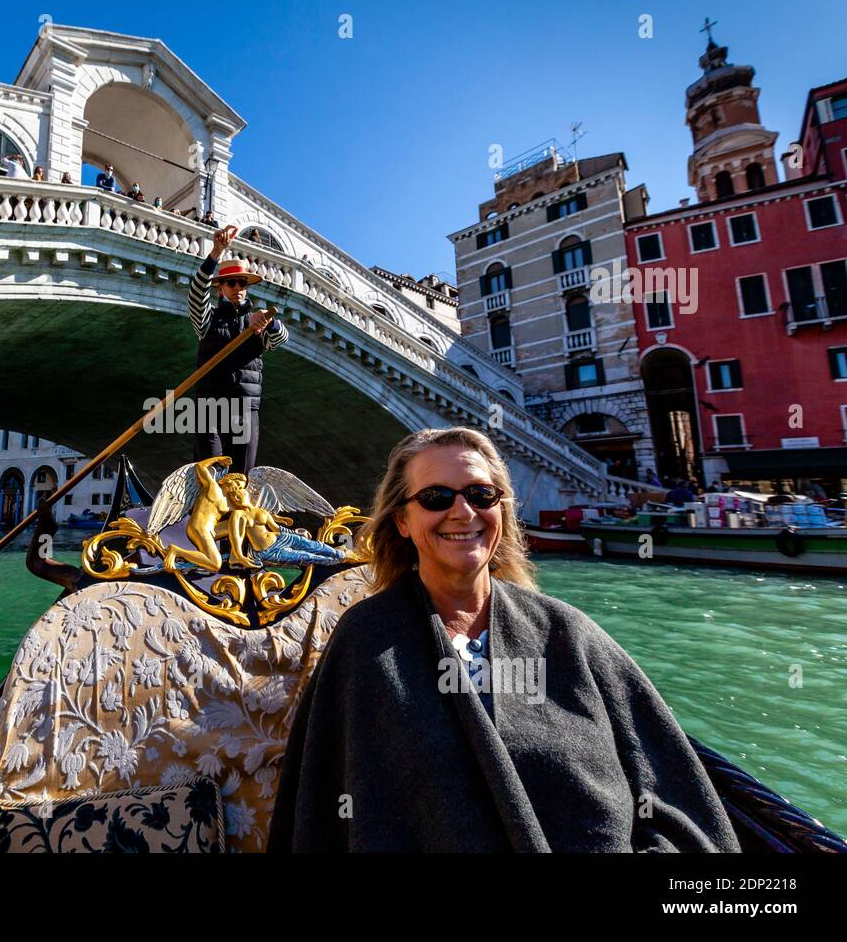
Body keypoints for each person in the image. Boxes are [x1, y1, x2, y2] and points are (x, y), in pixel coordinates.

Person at [268, 427, 741, 852]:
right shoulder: (365, 641)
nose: (463, 511)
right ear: (402, 522)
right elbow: (320, 812)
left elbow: (668, 785)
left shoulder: (568, 632)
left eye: (481, 494)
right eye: (435, 497)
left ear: (502, 510)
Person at [187, 225, 288, 476]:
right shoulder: (208, 319)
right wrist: (216, 253)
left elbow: (280, 339)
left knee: (239, 479)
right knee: (210, 477)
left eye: (242, 283)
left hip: (245, 407)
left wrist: (269, 321)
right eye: (231, 283)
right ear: (221, 288)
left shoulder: (257, 320)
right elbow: (196, 292)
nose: (237, 287)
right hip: (209, 407)